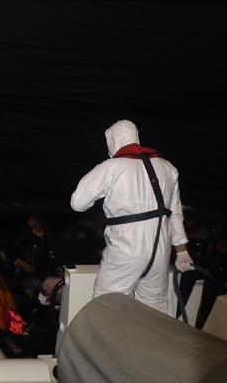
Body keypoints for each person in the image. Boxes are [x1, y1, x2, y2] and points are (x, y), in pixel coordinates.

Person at [71, 120, 193, 313]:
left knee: (107, 307)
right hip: (159, 251)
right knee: (154, 311)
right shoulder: (168, 168)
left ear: (113, 140)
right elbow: (175, 214)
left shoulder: (112, 167)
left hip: (126, 250)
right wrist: (182, 251)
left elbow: (77, 203)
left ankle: (108, 342)